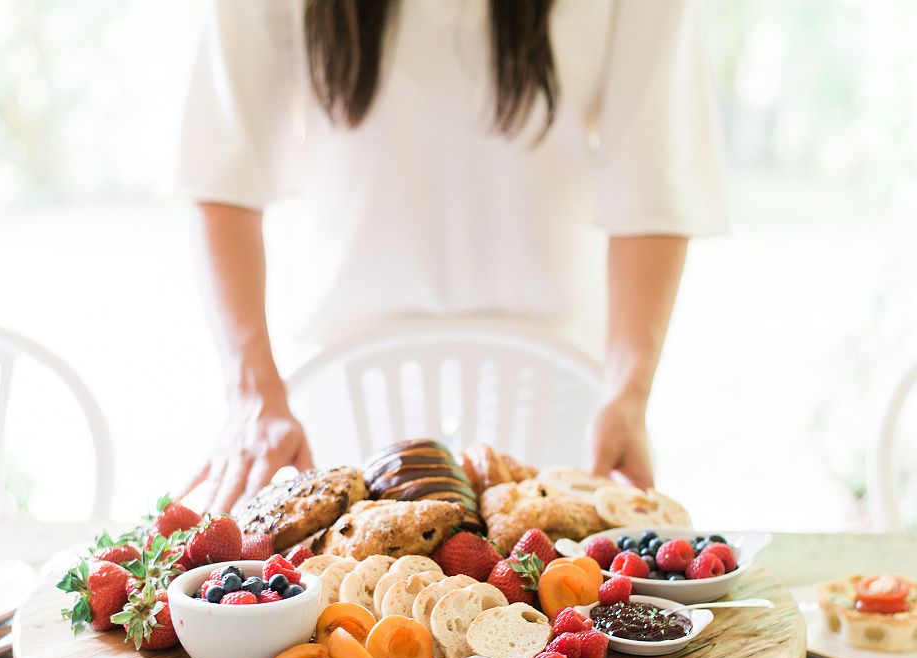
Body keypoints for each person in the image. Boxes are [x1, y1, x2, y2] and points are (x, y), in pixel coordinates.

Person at [178, 0, 727, 512]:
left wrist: (628, 396)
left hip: (558, 391)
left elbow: (655, 178)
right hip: (337, 385)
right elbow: (224, 165)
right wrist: (252, 392)